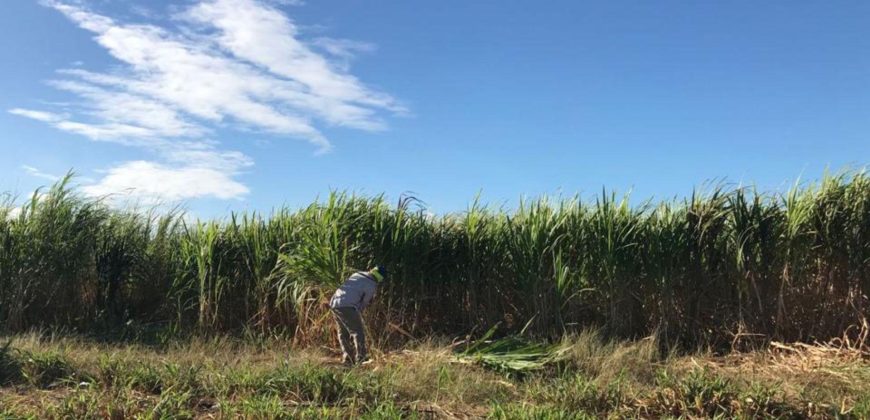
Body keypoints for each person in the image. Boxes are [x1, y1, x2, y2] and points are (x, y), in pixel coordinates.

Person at [329, 266, 386, 365]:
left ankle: (347, 359)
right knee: (358, 332)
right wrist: (358, 311)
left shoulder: (357, 274)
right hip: (348, 306)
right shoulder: (371, 285)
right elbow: (364, 302)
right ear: (380, 278)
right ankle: (361, 358)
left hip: (334, 303)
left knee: (343, 332)